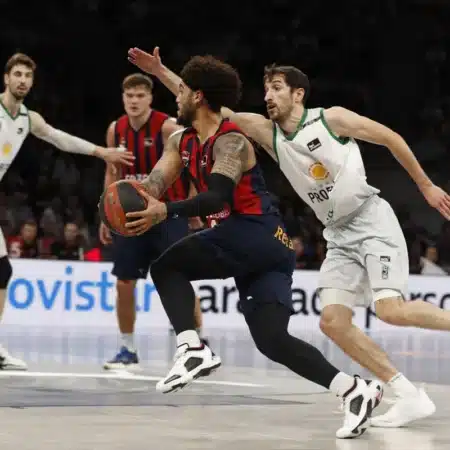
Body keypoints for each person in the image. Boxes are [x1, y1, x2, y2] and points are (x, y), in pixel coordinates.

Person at [128, 47, 450, 428]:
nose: (268, 95)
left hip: (370, 218)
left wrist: (425, 186)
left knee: (390, 310)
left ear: (298, 94)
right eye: (265, 89)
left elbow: (391, 138)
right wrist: (160, 72)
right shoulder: (267, 134)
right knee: (332, 322)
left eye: (277, 88)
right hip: (337, 234)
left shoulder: (331, 119)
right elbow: (206, 103)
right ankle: (404, 394)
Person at [0, 52, 134, 370]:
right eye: (17, 74)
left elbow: (60, 139)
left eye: (27, 76)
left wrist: (101, 152)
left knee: (2, 272)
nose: (22, 80)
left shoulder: (28, 119)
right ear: (6, 78)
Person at [101, 73, 208, 371]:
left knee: (178, 277)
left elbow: (194, 164)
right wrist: (105, 216)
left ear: (150, 98)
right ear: (123, 98)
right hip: (129, 218)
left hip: (167, 214)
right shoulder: (115, 130)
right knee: (124, 282)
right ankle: (127, 348)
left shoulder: (167, 127)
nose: (134, 101)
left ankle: (198, 343)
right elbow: (111, 172)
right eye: (129, 96)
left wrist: (193, 205)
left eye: (140, 95)